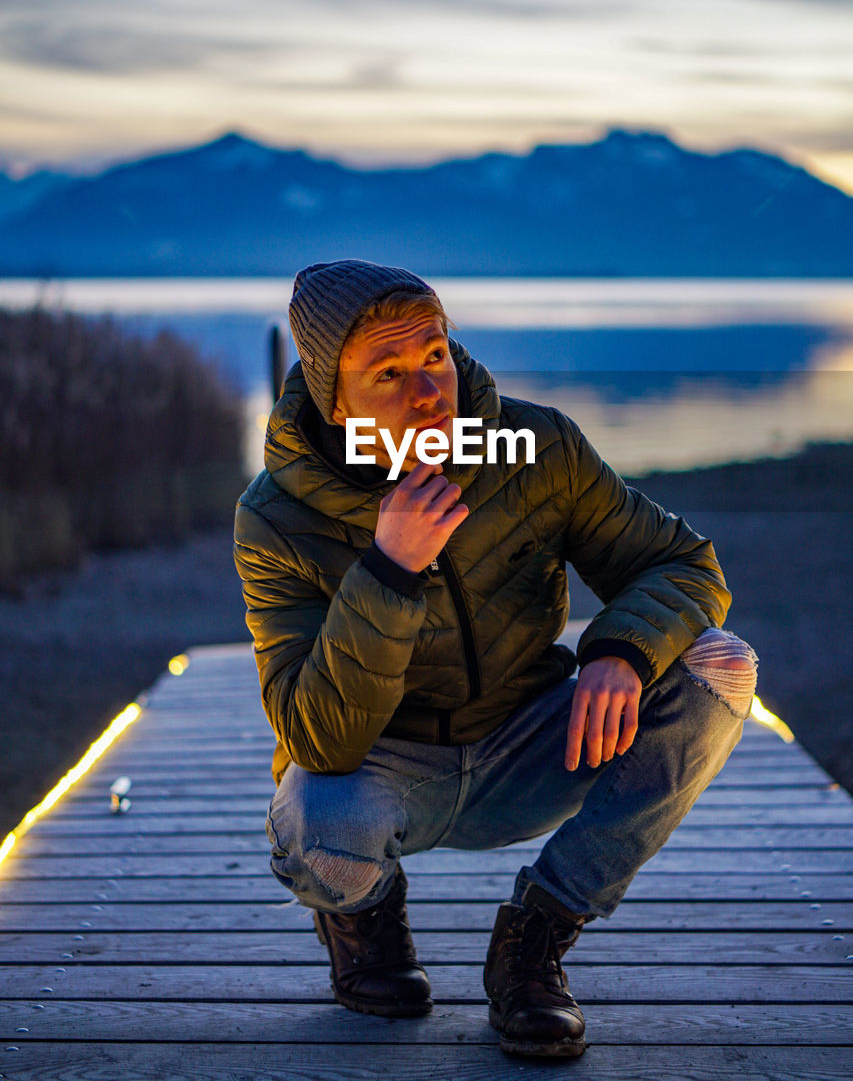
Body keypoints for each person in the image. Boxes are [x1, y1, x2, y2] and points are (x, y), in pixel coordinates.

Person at [233, 259, 758, 1060]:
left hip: (534, 744)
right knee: (313, 824)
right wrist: (388, 569)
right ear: (331, 398)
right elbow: (319, 739)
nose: (428, 392)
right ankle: (364, 922)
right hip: (381, 772)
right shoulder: (274, 518)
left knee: (718, 663)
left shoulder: (536, 446)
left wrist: (622, 653)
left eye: (435, 355)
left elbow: (680, 563)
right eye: (389, 372)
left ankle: (534, 945)